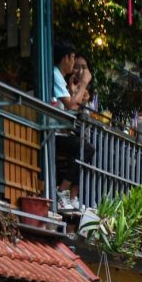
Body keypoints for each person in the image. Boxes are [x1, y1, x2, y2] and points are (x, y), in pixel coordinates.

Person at [51, 42, 91, 210]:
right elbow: (72, 105)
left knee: (86, 149)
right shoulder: (55, 74)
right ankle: (62, 191)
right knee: (86, 149)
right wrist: (84, 84)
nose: (73, 63)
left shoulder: (59, 77)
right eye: (73, 58)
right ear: (66, 58)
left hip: (59, 131)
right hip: (51, 133)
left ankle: (71, 195)